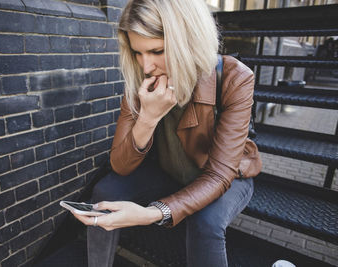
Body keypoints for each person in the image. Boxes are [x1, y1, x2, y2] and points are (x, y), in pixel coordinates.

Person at [69, 0, 262, 266]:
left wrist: (151, 213)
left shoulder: (235, 77)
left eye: (157, 50)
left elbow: (219, 175)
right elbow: (121, 166)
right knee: (105, 191)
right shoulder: (141, 80)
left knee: (205, 223)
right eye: (138, 53)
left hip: (225, 176)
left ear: (188, 41)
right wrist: (147, 118)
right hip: (170, 171)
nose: (146, 66)